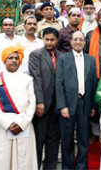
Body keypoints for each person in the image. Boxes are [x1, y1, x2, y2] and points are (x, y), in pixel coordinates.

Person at [0, 45, 38, 170]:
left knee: (24, 160)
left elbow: (32, 103)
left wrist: (23, 123)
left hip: (23, 126)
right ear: (4, 60)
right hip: (3, 126)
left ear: (20, 61)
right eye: (10, 58)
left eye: (16, 58)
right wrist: (8, 123)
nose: (14, 60)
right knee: (3, 160)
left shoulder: (27, 79)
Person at [56, 31, 97, 169]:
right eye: (75, 39)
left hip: (84, 104)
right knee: (67, 139)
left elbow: (93, 84)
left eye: (81, 39)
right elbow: (59, 83)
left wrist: (92, 106)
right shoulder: (63, 59)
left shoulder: (91, 60)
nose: (78, 42)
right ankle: (67, 167)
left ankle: (81, 166)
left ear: (84, 42)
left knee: (83, 139)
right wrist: (62, 106)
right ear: (71, 42)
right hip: (68, 104)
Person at [29, 27, 61, 169]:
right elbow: (36, 79)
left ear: (57, 40)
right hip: (42, 105)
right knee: (38, 141)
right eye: (47, 39)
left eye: (52, 40)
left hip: (57, 106)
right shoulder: (36, 55)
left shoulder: (62, 56)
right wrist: (39, 102)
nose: (49, 42)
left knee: (53, 142)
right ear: (43, 39)